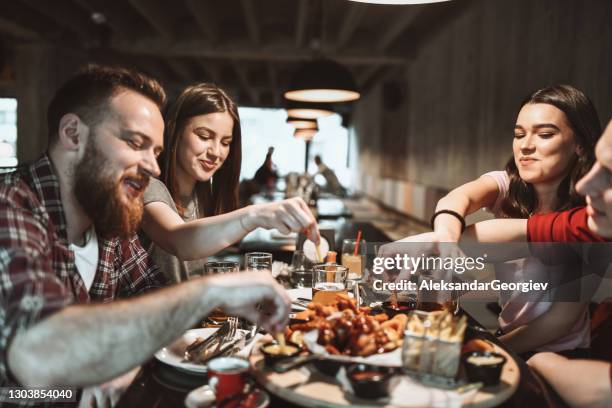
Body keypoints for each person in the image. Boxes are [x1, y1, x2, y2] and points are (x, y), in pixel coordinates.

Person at [0, 66, 290, 405]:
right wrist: (209, 292)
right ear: (73, 134)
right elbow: (39, 357)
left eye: (155, 151)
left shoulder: (110, 215)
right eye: (136, 143)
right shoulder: (11, 208)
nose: (153, 167)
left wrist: (129, 355)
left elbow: (153, 291)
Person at [383, 85, 602, 354]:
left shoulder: (591, 217)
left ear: (579, 144)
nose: (526, 146)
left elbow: (559, 321)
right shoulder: (507, 186)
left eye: (544, 134)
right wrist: (444, 237)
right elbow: (458, 198)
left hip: (562, 351)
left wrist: (488, 348)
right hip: (507, 332)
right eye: (519, 134)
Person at [140, 84, 319, 283]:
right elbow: (180, 241)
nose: (216, 152)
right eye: (204, 136)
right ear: (176, 132)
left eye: (225, 142)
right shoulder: (148, 187)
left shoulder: (201, 192)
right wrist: (254, 214)